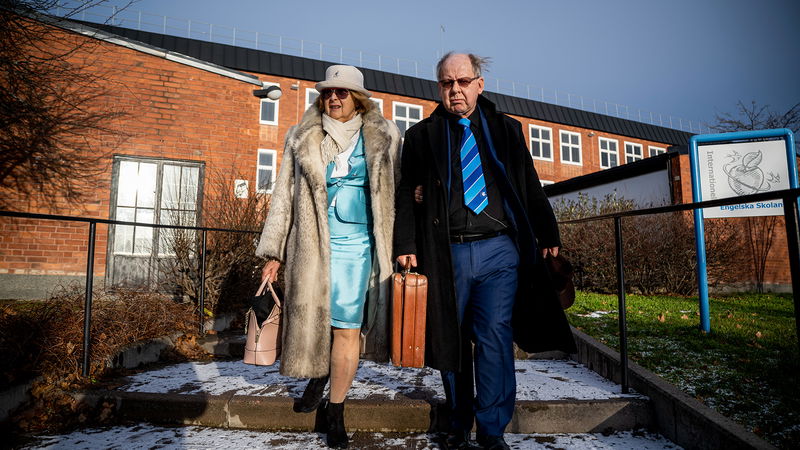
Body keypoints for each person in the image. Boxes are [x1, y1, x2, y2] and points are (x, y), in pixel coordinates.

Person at [394, 52, 576, 450]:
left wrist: (547, 230)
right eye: (446, 83)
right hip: (447, 253)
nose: (454, 90)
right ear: (438, 87)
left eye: (462, 81)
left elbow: (528, 181)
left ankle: (492, 429)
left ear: (479, 83)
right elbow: (407, 191)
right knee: (451, 339)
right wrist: (406, 243)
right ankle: (458, 422)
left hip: (499, 252)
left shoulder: (505, 128)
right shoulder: (421, 136)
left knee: (495, 336)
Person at [256, 64, 401, 449]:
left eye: (342, 93)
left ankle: (335, 409)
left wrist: (404, 244)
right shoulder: (300, 136)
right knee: (315, 320)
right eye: (328, 92)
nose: (333, 98)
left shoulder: (385, 135)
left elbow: (396, 192)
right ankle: (319, 374)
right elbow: (283, 196)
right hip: (311, 244)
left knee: (347, 327)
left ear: (358, 99)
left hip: (358, 246)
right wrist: (273, 252)